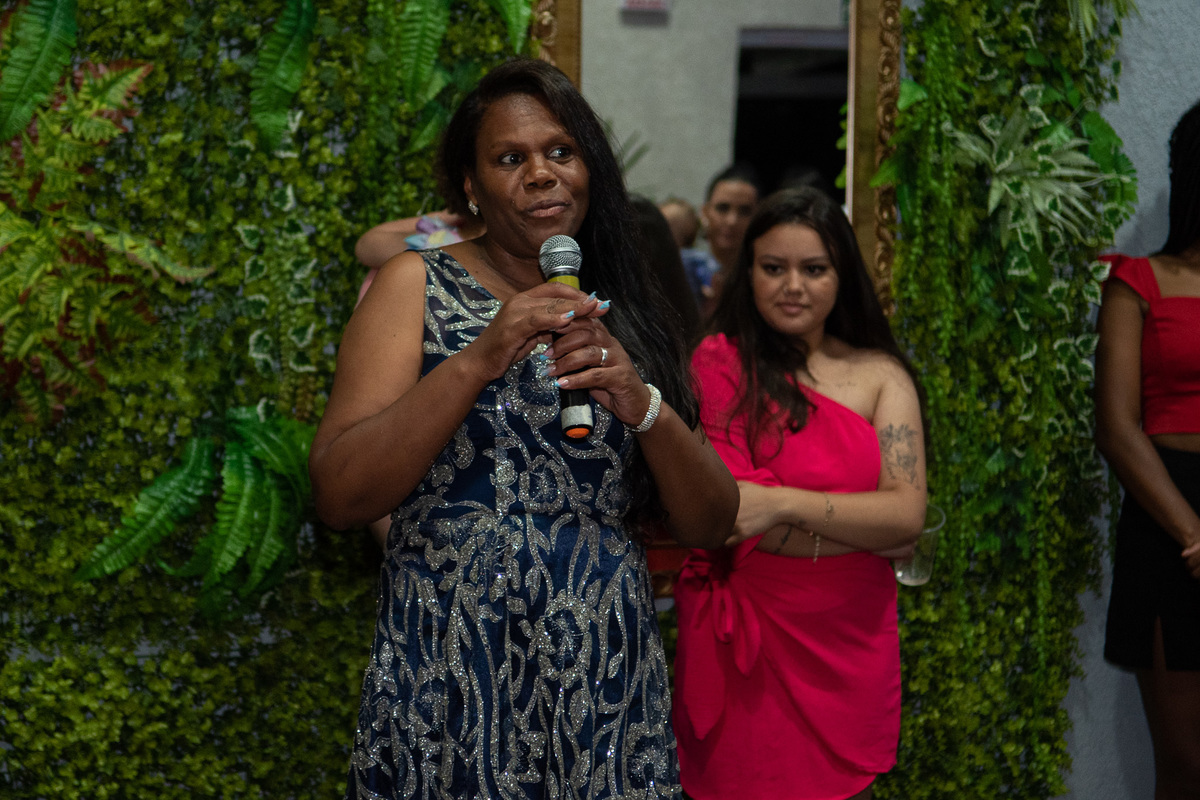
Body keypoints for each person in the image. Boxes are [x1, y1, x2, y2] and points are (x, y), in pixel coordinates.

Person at [308, 58, 739, 800]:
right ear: (471, 187)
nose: (541, 174)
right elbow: (340, 494)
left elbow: (712, 522)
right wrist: (479, 358)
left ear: (590, 168)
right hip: (450, 659)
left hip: (600, 668)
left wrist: (640, 402)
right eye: (511, 159)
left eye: (561, 152)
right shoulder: (417, 285)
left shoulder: (626, 303)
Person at [672, 187, 927, 800]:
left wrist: (784, 503)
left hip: (850, 638)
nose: (793, 286)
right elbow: (732, 515)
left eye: (814, 269)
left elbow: (906, 516)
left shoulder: (881, 374)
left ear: (842, 277)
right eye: (773, 268)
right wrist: (866, 530)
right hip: (749, 647)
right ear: (748, 273)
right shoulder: (719, 362)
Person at [1095, 98, 1200, 800]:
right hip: (1170, 521)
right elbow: (1115, 426)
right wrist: (1193, 535)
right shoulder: (1137, 280)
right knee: (1188, 768)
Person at [688, 164, 761, 317]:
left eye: (744, 211)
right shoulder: (685, 270)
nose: (731, 221)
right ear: (705, 212)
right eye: (722, 208)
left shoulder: (763, 278)